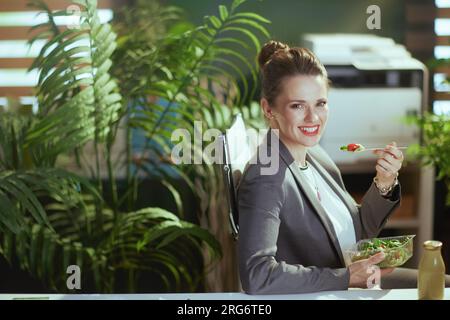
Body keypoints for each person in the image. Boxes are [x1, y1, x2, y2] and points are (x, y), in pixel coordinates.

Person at [237, 40, 450, 294]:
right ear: (268, 109)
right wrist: (346, 277)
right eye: (298, 105)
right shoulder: (266, 176)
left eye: (320, 103)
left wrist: (384, 182)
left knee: (443, 284)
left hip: (352, 280)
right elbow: (257, 275)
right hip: (328, 291)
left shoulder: (315, 154)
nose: (313, 118)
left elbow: (359, 230)